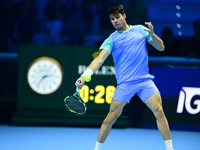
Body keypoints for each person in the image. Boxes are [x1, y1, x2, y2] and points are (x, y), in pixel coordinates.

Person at [75, 4, 174, 150]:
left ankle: (170, 148)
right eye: (112, 19)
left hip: (144, 81)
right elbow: (100, 59)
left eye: (117, 17)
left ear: (124, 16)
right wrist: (84, 75)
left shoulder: (141, 30)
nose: (115, 21)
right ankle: (97, 148)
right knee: (111, 118)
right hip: (125, 84)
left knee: (159, 111)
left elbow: (161, 47)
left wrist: (152, 34)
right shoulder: (111, 39)